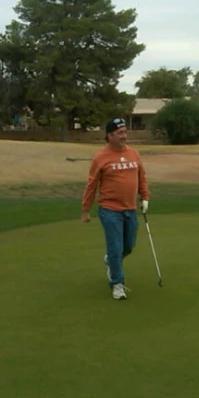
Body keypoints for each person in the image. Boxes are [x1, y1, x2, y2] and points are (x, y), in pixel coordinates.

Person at [81, 117, 150, 300]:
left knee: (128, 246)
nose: (124, 136)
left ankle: (111, 260)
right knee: (116, 246)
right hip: (109, 209)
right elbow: (91, 184)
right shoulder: (100, 157)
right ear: (109, 135)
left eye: (125, 132)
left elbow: (141, 176)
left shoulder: (134, 154)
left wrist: (145, 197)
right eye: (120, 133)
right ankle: (117, 284)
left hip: (130, 208)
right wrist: (85, 209)